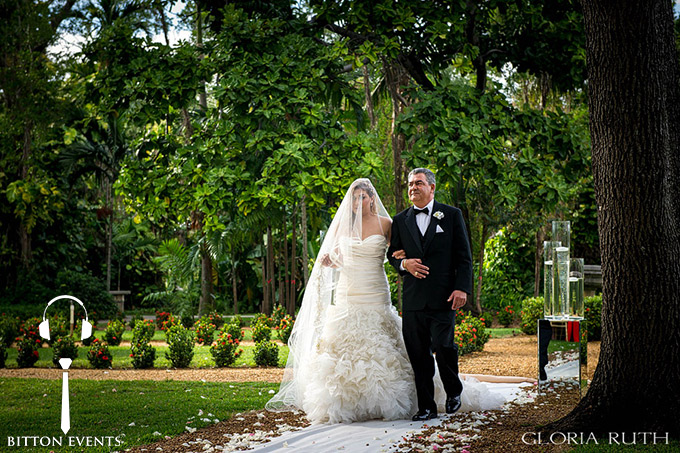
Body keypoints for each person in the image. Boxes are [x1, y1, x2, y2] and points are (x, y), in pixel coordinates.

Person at [266, 178, 505, 424]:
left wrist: (401, 257)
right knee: (350, 348)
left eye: (363, 197)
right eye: (355, 198)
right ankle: (356, 403)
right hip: (348, 291)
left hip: (375, 289)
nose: (359, 202)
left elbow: (398, 249)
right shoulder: (342, 227)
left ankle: (437, 394)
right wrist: (330, 261)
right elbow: (344, 258)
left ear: (372, 199)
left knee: (403, 345)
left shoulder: (387, 223)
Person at [387, 168, 473, 421]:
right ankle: (426, 407)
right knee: (418, 353)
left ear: (432, 187)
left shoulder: (451, 215)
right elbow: (393, 255)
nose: (413, 187)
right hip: (413, 299)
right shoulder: (400, 220)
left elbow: (464, 257)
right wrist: (405, 265)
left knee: (444, 346)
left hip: (444, 296)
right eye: (410, 184)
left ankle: (453, 391)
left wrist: (462, 288)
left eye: (419, 183)